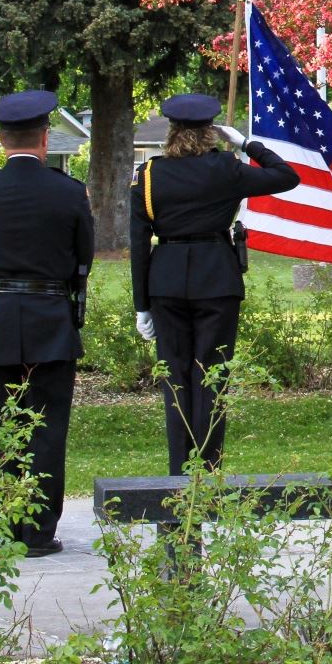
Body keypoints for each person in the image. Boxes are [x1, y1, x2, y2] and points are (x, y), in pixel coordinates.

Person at [130, 93, 300, 475]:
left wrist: (141, 304)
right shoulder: (226, 167)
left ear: (171, 131)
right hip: (217, 280)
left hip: (167, 281)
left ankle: (179, 478)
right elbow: (287, 176)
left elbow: (139, 244)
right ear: (211, 132)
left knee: (176, 381)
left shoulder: (149, 175)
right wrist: (246, 143)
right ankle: (207, 473)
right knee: (212, 378)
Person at [0, 89, 94, 557]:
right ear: (43, 138)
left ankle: (6, 526)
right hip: (49, 320)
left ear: (0, 140)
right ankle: (38, 532)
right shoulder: (70, 191)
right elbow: (83, 258)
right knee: (47, 427)